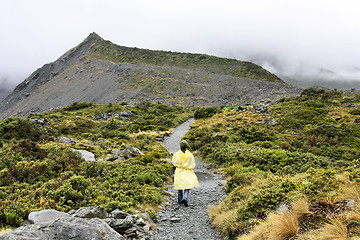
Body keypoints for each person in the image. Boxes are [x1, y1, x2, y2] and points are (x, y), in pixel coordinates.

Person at [171, 140, 199, 207]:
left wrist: (179, 166)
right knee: (188, 185)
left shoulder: (176, 154)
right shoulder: (190, 155)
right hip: (187, 171)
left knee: (179, 185)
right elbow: (193, 164)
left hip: (179, 171)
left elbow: (174, 162)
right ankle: (185, 197)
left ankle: (180, 200)